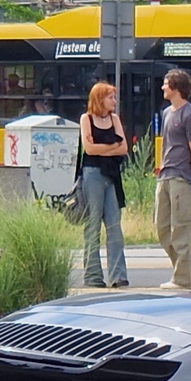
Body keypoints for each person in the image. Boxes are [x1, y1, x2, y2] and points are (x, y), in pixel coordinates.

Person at [78, 81, 131, 288]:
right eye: (111, 97)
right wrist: (112, 147)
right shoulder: (86, 119)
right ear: (100, 98)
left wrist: (105, 148)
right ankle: (92, 275)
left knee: (114, 224)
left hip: (113, 175)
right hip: (93, 174)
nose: (114, 101)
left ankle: (118, 275)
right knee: (92, 223)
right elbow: (89, 149)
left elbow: (124, 147)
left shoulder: (114, 119)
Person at [153, 69, 191, 288]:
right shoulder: (166, 113)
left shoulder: (189, 114)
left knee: (181, 227)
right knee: (161, 226)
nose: (162, 87)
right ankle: (183, 269)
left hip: (181, 176)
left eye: (166, 83)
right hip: (165, 174)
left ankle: (183, 278)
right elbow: (165, 144)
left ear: (176, 87)